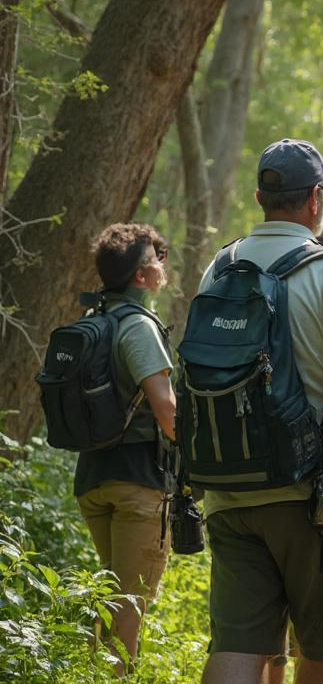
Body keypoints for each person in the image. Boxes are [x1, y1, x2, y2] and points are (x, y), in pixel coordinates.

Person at [198, 138, 323, 684]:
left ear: (262, 197)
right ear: (315, 199)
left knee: (239, 644)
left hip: (228, 491)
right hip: (315, 498)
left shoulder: (220, 267)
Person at [75, 222, 176, 670]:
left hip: (93, 478)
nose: (162, 264)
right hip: (139, 483)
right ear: (141, 275)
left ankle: (93, 675)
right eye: (158, 257)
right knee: (128, 611)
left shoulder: (92, 321)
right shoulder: (138, 327)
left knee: (109, 600)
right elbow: (167, 411)